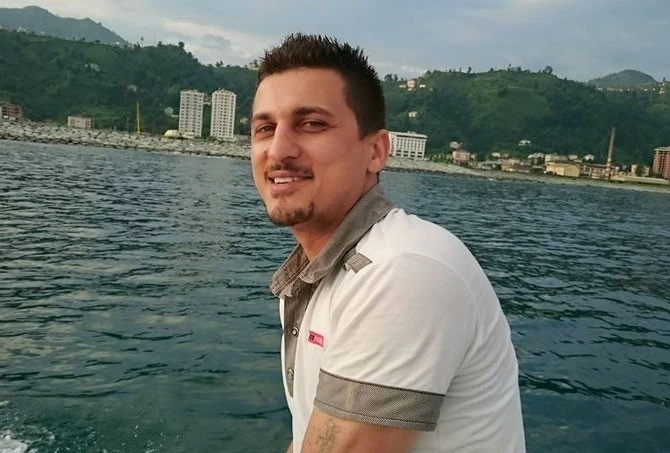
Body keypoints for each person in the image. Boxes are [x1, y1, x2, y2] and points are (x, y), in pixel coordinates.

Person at [250, 33, 526, 453]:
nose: (278, 149)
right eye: (265, 128)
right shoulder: (317, 276)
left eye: (312, 124)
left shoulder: (403, 272)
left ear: (376, 151)